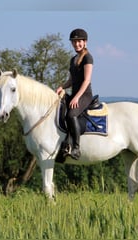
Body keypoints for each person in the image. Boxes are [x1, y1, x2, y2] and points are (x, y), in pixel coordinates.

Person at [56, 28, 94, 160]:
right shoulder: (73, 59)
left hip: (85, 95)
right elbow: (72, 80)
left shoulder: (88, 58)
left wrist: (77, 97)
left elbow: (86, 80)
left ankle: (76, 148)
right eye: (74, 42)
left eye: (79, 41)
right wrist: (62, 86)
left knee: (71, 114)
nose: (76, 44)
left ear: (85, 42)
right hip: (74, 93)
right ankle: (64, 143)